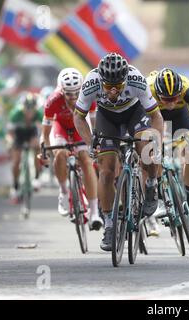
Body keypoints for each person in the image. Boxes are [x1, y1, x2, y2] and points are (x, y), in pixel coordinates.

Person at [73, 52, 164, 252]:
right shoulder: (91, 82)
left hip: (135, 114)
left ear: (125, 80)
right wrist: (90, 142)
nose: (113, 91)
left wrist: (155, 141)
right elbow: (79, 117)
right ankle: (109, 224)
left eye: (118, 87)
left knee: (145, 147)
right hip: (107, 119)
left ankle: (151, 184)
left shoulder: (136, 79)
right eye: (108, 87)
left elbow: (156, 116)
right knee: (106, 171)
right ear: (101, 81)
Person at [147, 68, 189, 237]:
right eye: (165, 99)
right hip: (155, 116)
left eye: (174, 98)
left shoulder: (186, 89)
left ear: (179, 93)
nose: (170, 102)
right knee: (154, 151)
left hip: (180, 116)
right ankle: (160, 199)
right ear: (158, 93)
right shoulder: (148, 89)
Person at [40, 68, 103, 230]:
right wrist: (45, 150)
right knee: (60, 154)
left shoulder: (89, 97)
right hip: (60, 127)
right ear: (61, 91)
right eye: (69, 94)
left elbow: (94, 128)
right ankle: (63, 192)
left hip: (79, 128)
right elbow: (45, 133)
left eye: (76, 93)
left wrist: (94, 145)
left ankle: (94, 212)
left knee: (86, 161)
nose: (73, 98)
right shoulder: (53, 100)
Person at [7, 93, 43, 203]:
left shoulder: (39, 114)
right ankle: (15, 185)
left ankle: (37, 177)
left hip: (31, 134)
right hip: (18, 134)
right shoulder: (16, 114)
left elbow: (43, 130)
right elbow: (10, 133)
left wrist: (40, 142)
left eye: (32, 110)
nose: (29, 113)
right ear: (22, 108)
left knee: (38, 148)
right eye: (27, 110)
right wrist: (11, 143)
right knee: (16, 160)